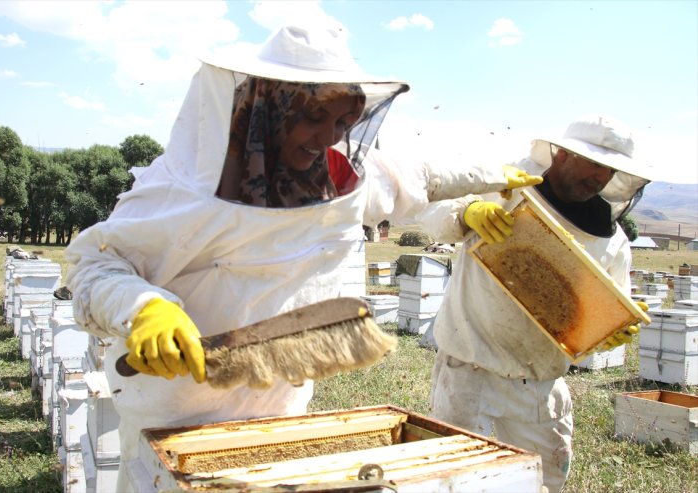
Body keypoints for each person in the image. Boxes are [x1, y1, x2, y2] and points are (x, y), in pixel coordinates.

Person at [64, 24, 541, 490]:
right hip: (174, 412)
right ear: (269, 107)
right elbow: (97, 264)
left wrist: (494, 176)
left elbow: (421, 174)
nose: (329, 137)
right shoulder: (186, 184)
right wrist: (144, 307)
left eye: (341, 122)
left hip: (280, 406)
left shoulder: (342, 177)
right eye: (313, 118)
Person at [421, 115, 653, 492]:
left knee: (544, 483)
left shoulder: (613, 242)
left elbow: (614, 301)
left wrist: (609, 328)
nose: (600, 177)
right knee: (457, 481)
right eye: (594, 163)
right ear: (561, 154)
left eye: (609, 170)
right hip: (471, 367)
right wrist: (465, 213)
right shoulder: (503, 184)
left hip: (541, 381)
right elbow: (430, 212)